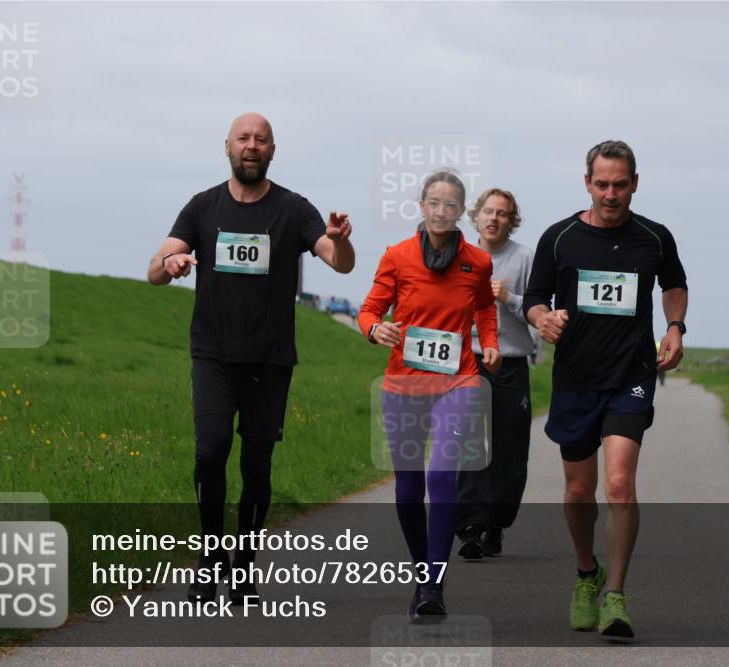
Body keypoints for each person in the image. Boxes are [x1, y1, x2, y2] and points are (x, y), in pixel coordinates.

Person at [147, 112, 355, 604]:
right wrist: (171, 262)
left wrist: (341, 240)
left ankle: (243, 564)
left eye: (261, 139)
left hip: (270, 358)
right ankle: (210, 556)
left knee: (257, 467)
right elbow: (155, 269)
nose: (252, 145)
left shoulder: (293, 209)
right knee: (210, 450)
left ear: (272, 151)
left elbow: (341, 263)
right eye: (244, 138)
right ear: (227, 147)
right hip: (214, 355)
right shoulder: (202, 207)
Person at [523, 140, 687, 639]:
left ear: (635, 183)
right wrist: (542, 319)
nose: (610, 194)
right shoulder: (560, 237)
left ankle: (615, 594)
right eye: (601, 184)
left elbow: (674, 283)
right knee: (578, 490)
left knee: (618, 484)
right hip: (575, 380)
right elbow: (533, 297)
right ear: (586, 182)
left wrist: (676, 327)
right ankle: (585, 573)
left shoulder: (654, 238)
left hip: (630, 376)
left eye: (620, 184)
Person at [359, 170, 500, 623]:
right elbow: (369, 310)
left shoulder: (477, 262)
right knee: (406, 491)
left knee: (441, 477)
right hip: (404, 385)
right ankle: (422, 570)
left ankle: (433, 583)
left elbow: (483, 305)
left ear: (463, 213)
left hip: (458, 382)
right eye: (434, 203)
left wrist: (490, 340)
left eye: (451, 205)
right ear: (422, 207)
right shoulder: (397, 257)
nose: (442, 211)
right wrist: (374, 328)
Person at [456, 188, 535, 559]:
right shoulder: (458, 257)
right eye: (488, 211)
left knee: (509, 451)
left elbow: (539, 311)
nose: (494, 218)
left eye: (502, 213)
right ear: (476, 216)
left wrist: (509, 298)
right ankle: (469, 526)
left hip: (510, 362)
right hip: (467, 360)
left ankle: (496, 524)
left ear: (511, 220)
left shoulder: (524, 259)